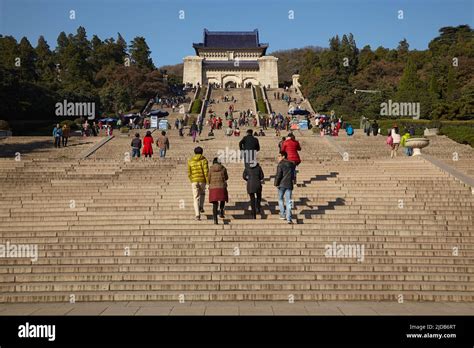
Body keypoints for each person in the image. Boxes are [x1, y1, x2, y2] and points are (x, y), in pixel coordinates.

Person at [188, 147, 209, 221]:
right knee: (202, 193)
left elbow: (189, 173)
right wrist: (208, 182)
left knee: (195, 197)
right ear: (202, 152)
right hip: (202, 180)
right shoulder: (204, 160)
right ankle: (201, 206)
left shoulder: (190, 161)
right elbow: (206, 172)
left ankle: (197, 215)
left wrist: (192, 179)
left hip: (194, 180)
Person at [274, 151, 295, 224]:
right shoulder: (292, 164)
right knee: (289, 201)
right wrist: (293, 181)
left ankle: (282, 214)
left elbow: (278, 175)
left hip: (282, 184)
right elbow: (293, 175)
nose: (278, 157)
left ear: (283, 156)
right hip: (289, 184)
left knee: (280, 199)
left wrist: (276, 183)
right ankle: (289, 218)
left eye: (279, 156)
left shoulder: (280, 164)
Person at [208, 157, 229, 224]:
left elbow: (208, 178)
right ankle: (221, 209)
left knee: (215, 204)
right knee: (222, 199)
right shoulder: (223, 168)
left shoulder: (211, 169)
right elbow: (226, 177)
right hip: (221, 186)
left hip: (213, 188)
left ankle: (215, 219)